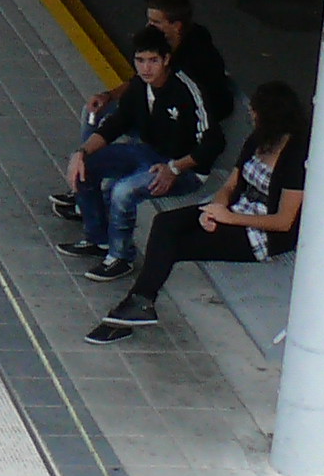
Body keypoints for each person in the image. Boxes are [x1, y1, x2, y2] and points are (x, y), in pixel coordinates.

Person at [87, 84, 307, 341]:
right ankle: (139, 303)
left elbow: (284, 222)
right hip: (234, 211)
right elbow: (231, 184)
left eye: (255, 113)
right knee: (165, 223)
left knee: (175, 246)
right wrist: (217, 209)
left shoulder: (296, 158)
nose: (251, 117)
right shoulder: (258, 140)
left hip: (260, 235)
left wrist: (228, 218)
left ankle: (138, 303)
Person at [56, 35, 228, 276]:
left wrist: (175, 169)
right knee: (86, 167)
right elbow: (117, 123)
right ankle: (98, 240)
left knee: (123, 191)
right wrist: (81, 153)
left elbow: (214, 143)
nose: (146, 68)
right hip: (149, 153)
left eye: (153, 61)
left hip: (184, 169)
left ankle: (121, 257)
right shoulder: (139, 86)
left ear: (166, 60)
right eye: (140, 60)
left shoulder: (187, 90)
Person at [144, 0, 229, 125]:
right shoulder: (159, 43)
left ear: (176, 26)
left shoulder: (196, 59)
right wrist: (109, 96)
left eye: (156, 22)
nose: (149, 26)